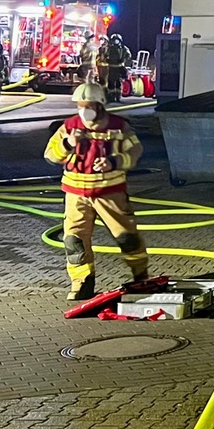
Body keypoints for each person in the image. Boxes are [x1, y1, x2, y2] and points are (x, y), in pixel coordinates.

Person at [43, 82, 148, 300]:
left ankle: (141, 276)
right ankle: (82, 283)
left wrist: (114, 161)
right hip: (76, 195)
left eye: (88, 105)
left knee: (127, 238)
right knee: (74, 240)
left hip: (110, 193)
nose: (83, 110)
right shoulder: (69, 127)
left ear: (100, 106)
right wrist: (68, 143)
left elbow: (136, 151)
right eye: (80, 106)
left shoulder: (119, 127)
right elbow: (51, 155)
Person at [99, 33, 132, 102]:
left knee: (118, 83)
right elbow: (104, 55)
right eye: (114, 40)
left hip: (119, 67)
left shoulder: (123, 48)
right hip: (111, 68)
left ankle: (117, 96)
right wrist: (106, 59)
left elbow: (128, 55)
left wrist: (123, 60)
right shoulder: (109, 48)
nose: (115, 41)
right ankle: (111, 97)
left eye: (117, 40)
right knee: (110, 83)